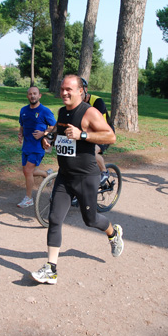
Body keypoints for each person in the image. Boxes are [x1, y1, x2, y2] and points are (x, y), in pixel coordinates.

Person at [31, 75, 124, 285]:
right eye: (62, 89)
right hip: (65, 175)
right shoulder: (62, 111)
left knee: (90, 220)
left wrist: (83, 135)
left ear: (80, 91)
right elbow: (61, 133)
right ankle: (51, 269)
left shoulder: (89, 112)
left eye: (69, 89)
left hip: (85, 177)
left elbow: (110, 136)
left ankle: (113, 232)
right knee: (55, 219)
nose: (64, 93)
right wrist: (50, 138)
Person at [17, 86, 56, 208]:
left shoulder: (44, 111)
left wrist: (44, 133)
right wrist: (20, 133)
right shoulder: (23, 110)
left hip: (38, 147)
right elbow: (22, 125)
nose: (32, 96)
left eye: (35, 93)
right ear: (27, 96)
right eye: (30, 94)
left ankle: (29, 198)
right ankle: (47, 173)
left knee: (28, 171)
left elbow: (55, 126)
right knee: (27, 171)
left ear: (39, 96)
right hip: (26, 146)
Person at [81, 77, 114, 185]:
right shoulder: (78, 104)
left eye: (81, 90)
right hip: (89, 133)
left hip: (103, 133)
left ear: (86, 90)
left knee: (92, 151)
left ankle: (104, 172)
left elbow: (94, 122)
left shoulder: (97, 101)